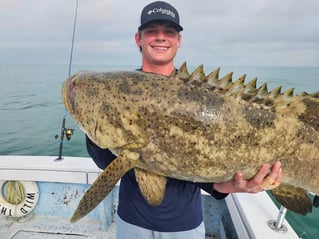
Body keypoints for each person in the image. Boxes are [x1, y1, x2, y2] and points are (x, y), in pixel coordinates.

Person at [86, 1, 282, 239]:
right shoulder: (122, 90)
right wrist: (94, 126)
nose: (160, 37)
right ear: (138, 38)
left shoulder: (202, 96)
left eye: (169, 32)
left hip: (185, 225)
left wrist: (235, 185)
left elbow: (210, 179)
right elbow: (106, 160)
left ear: (179, 40)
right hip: (132, 220)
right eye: (152, 31)